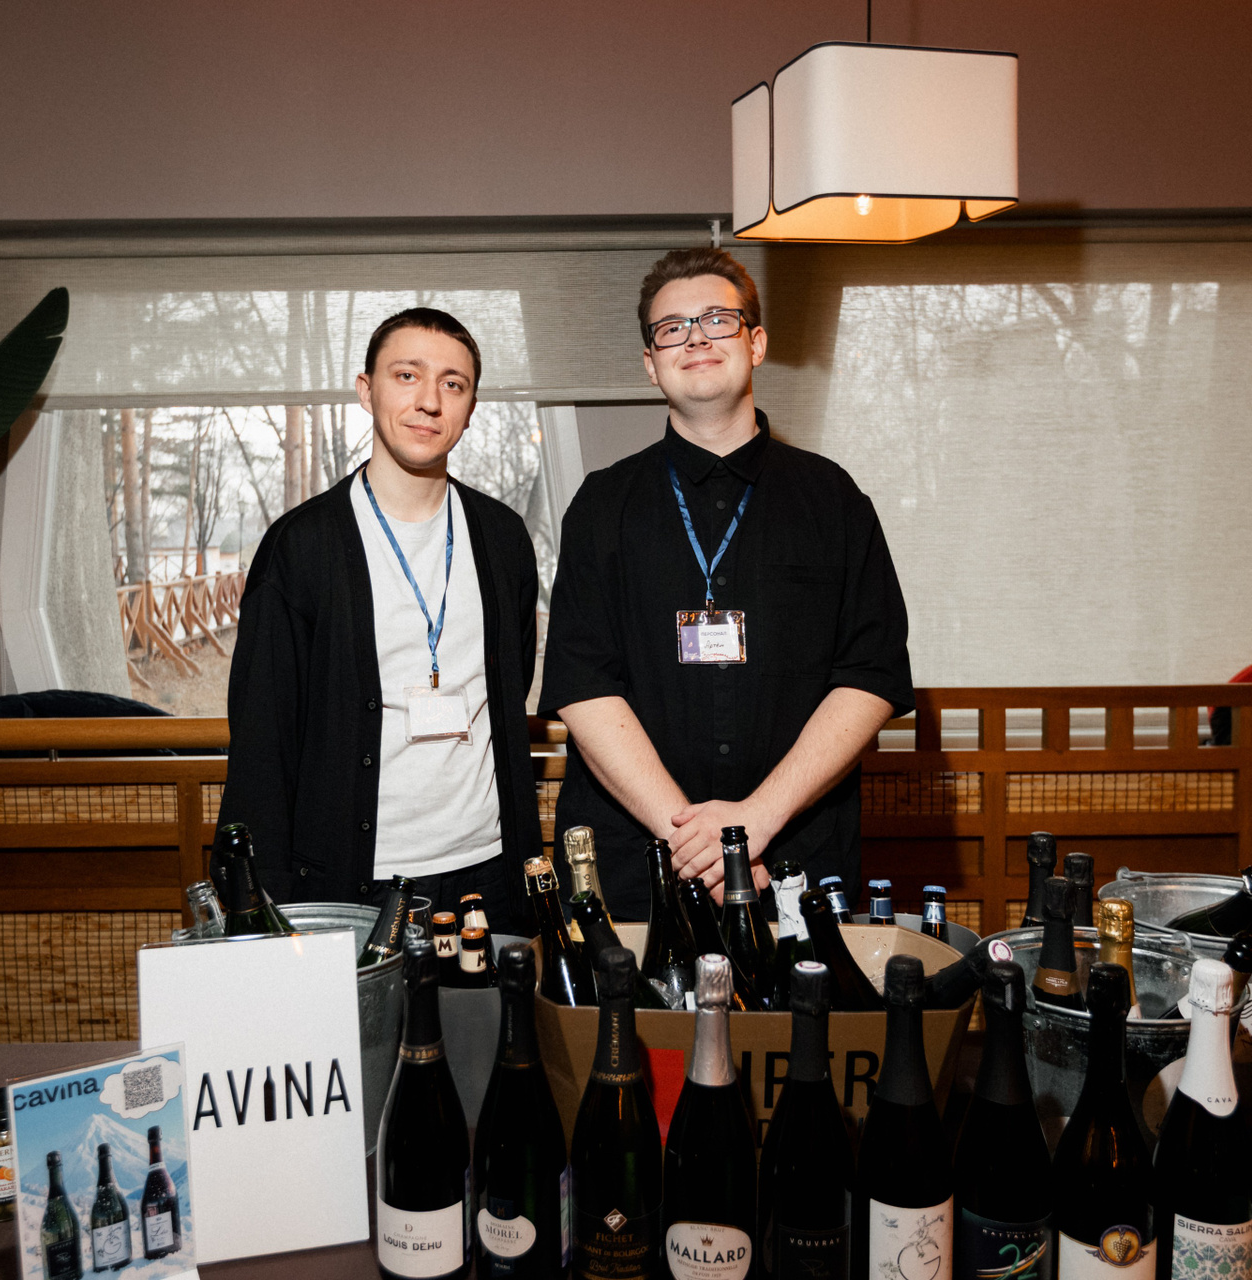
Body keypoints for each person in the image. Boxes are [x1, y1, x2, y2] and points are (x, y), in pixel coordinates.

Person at [540, 248, 914, 916]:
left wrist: (754, 822)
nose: (696, 339)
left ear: (756, 342)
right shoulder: (601, 505)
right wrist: (697, 842)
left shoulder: (833, 499)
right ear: (650, 363)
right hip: (636, 868)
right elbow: (583, 686)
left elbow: (870, 676)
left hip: (793, 862)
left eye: (717, 319)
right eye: (672, 328)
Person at [215, 308, 540, 934]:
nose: (429, 401)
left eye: (452, 383)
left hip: (491, 875)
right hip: (352, 882)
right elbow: (263, 744)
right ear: (367, 391)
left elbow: (511, 682)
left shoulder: (503, 538)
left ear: (471, 407)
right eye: (406, 375)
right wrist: (262, 912)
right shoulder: (301, 548)